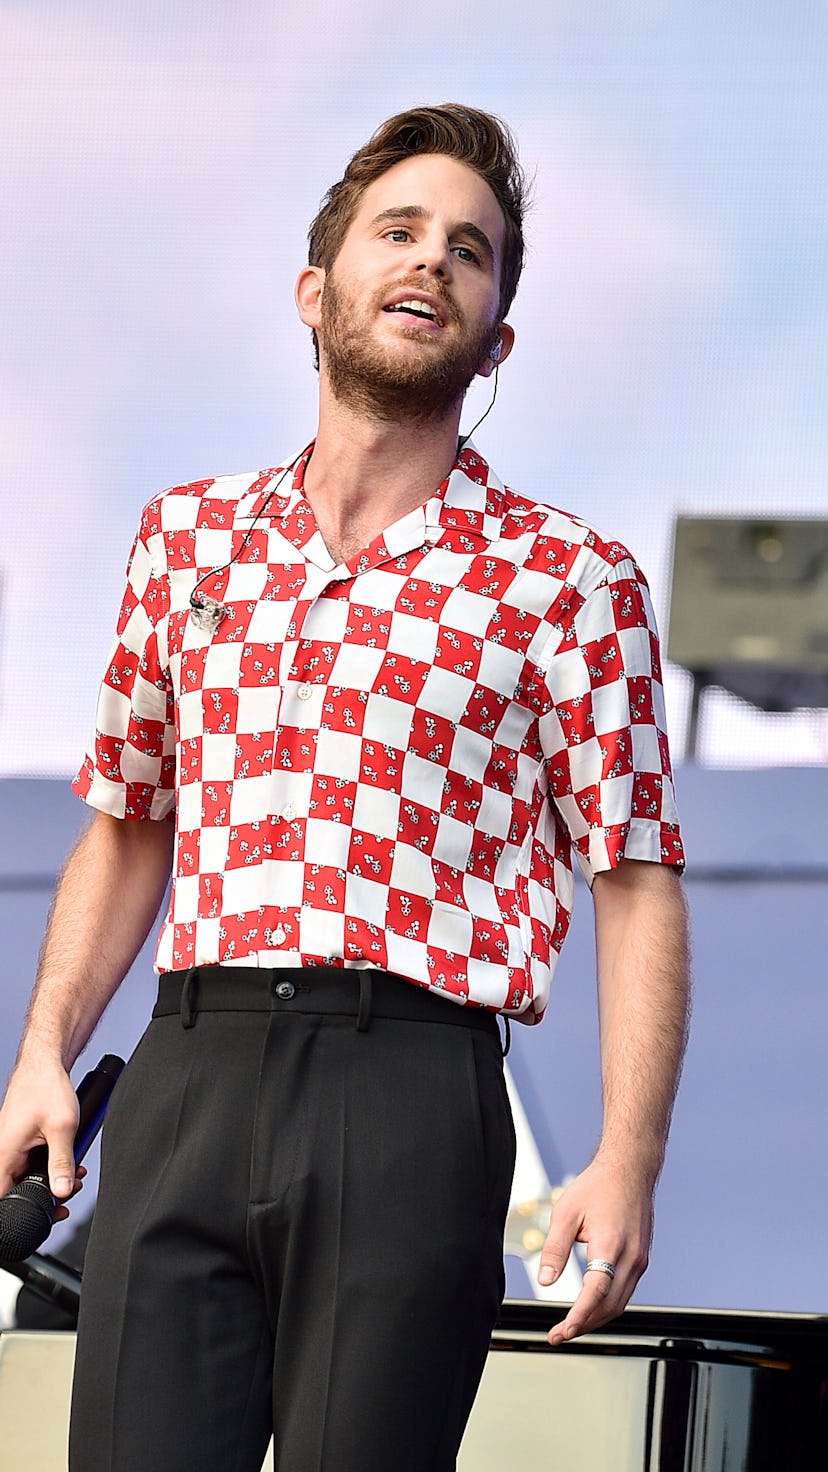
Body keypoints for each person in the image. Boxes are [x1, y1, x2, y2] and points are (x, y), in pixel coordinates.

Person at [0, 104, 690, 1471]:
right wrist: (40, 1053)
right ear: (317, 293)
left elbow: (634, 883)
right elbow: (129, 824)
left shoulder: (570, 581)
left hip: (409, 1096)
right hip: (187, 1078)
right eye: (399, 231)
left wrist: (630, 1154)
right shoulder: (185, 539)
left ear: (497, 337)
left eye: (473, 251)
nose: (433, 260)